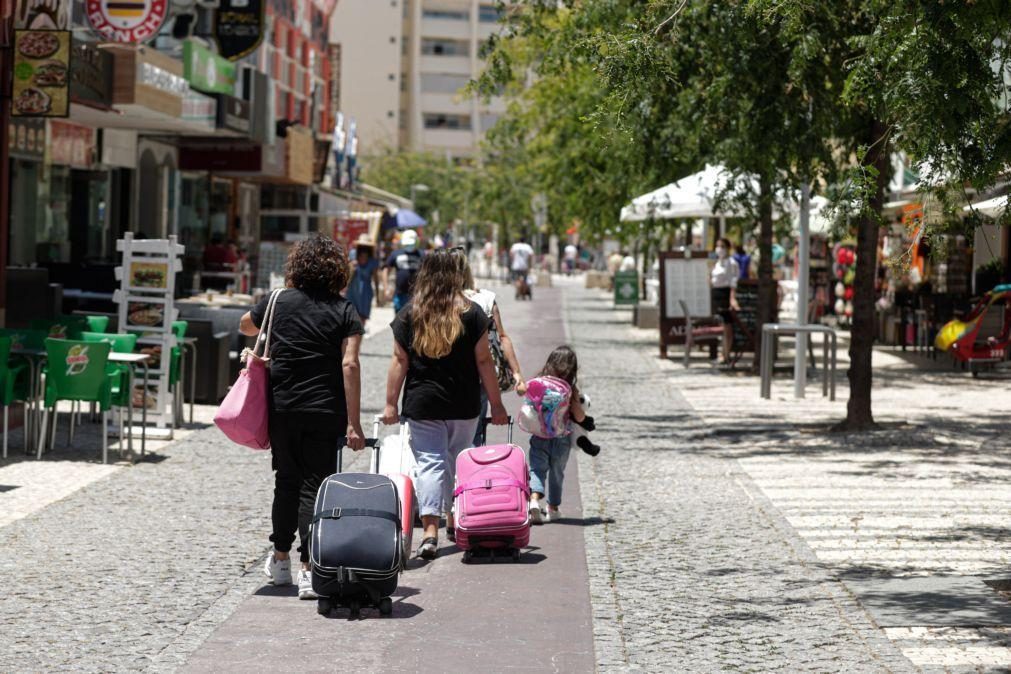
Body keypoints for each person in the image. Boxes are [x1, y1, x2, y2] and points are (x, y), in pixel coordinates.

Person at [238, 235, 366, 600]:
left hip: (284, 406)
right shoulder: (345, 311)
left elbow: (245, 326)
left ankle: (280, 560)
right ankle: (310, 569)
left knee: (287, 482)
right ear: (336, 271)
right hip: (326, 409)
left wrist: (266, 318)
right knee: (316, 486)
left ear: (297, 267)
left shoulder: (279, 301)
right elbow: (350, 364)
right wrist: (353, 422)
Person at [382, 250, 508, 560]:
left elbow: (400, 360)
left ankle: (430, 530)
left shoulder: (410, 314)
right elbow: (484, 361)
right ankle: (453, 519)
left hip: (423, 403)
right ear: (455, 277)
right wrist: (497, 404)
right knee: (455, 462)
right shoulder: (472, 313)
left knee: (431, 463)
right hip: (464, 403)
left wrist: (390, 404)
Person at [450, 248, 527, 446]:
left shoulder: (436, 300)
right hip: (480, 374)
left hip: (445, 373)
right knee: (475, 431)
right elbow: (502, 337)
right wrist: (517, 374)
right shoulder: (486, 299)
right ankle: (472, 469)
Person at [527, 345, 593, 524]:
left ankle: (533, 500)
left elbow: (529, 405)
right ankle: (553, 509)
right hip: (561, 439)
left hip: (539, 436)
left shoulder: (539, 382)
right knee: (557, 474)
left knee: (537, 470)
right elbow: (579, 416)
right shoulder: (570, 389)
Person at [711, 237, 740, 366]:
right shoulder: (716, 263)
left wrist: (732, 298)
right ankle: (721, 352)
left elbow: (733, 282)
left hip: (725, 295)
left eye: (722, 246)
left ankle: (726, 353)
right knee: (719, 326)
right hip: (715, 295)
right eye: (718, 246)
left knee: (727, 327)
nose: (719, 249)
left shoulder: (732, 263)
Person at [384, 229, 423, 313]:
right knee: (399, 319)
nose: (409, 245)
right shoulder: (396, 254)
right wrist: (386, 287)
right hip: (399, 294)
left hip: (416, 295)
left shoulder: (421, 255)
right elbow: (386, 269)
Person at [347, 234, 381, 326]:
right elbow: (346, 276)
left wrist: (378, 297)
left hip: (365, 292)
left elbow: (376, 279)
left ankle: (357, 340)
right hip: (352, 290)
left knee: (362, 320)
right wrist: (351, 267)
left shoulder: (373, 259)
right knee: (350, 319)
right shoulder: (353, 254)